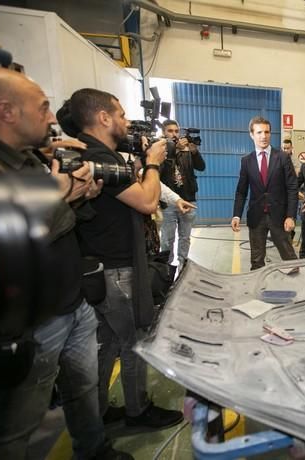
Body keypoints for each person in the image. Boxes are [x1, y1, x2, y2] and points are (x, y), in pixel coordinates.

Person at [0, 69, 130, 459]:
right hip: (32, 323)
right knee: (18, 424)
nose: (52, 118)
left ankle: (93, 448)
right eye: (42, 108)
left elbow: (64, 220)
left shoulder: (34, 161)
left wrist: (79, 194)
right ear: (6, 111)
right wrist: (56, 196)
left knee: (83, 390)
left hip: (72, 302)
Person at [67, 88, 183, 430]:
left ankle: (100, 410)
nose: (126, 121)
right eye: (120, 114)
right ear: (103, 117)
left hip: (100, 269)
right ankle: (137, 409)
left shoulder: (96, 153)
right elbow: (147, 202)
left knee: (109, 344)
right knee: (135, 340)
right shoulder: (99, 157)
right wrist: (151, 163)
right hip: (116, 270)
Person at [232, 116, 298, 269]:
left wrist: (290, 216)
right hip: (256, 217)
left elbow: (292, 188)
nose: (264, 136)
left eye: (267, 132)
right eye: (259, 132)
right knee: (256, 261)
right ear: (251, 134)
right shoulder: (246, 161)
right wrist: (236, 215)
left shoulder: (282, 158)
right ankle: (258, 291)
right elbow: (241, 191)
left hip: (279, 217)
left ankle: (298, 287)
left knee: (290, 258)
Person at [159, 119, 205, 268]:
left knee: (185, 238)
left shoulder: (187, 151)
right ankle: (166, 269)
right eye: (170, 131)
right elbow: (158, 173)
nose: (174, 134)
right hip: (169, 203)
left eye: (176, 131)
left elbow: (201, 167)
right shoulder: (160, 151)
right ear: (163, 132)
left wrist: (194, 151)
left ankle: (182, 265)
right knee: (167, 239)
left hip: (188, 199)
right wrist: (173, 151)